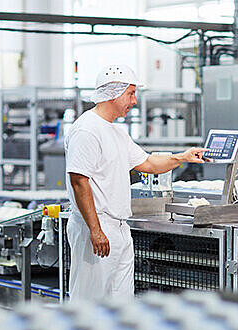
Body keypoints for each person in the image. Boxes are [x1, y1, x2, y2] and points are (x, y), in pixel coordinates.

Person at [64, 64, 208, 301]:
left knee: (121, 301)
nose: (134, 101)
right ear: (113, 93)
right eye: (130, 94)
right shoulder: (87, 130)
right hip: (97, 227)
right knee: (89, 303)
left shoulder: (117, 133)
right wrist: (96, 230)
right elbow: (79, 181)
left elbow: (149, 164)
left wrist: (183, 156)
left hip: (120, 227)